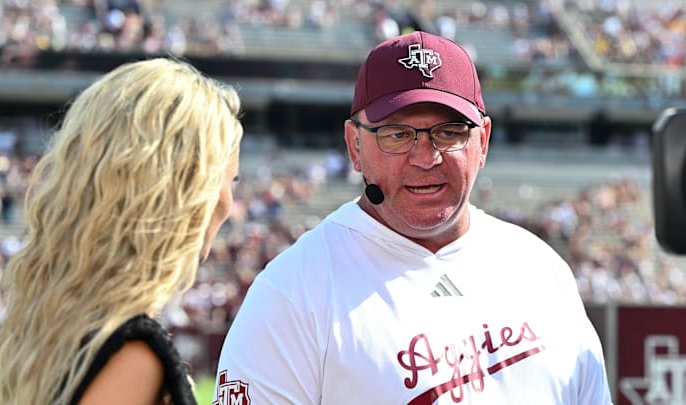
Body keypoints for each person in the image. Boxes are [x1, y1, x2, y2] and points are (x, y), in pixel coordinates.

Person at [214, 31, 612, 404]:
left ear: (483, 141)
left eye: (450, 132)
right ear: (355, 145)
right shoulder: (293, 292)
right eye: (397, 134)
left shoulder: (541, 271)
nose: (425, 157)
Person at [0, 57, 243, 405]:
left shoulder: (68, 323)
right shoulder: (132, 353)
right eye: (230, 180)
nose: (230, 201)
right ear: (188, 188)